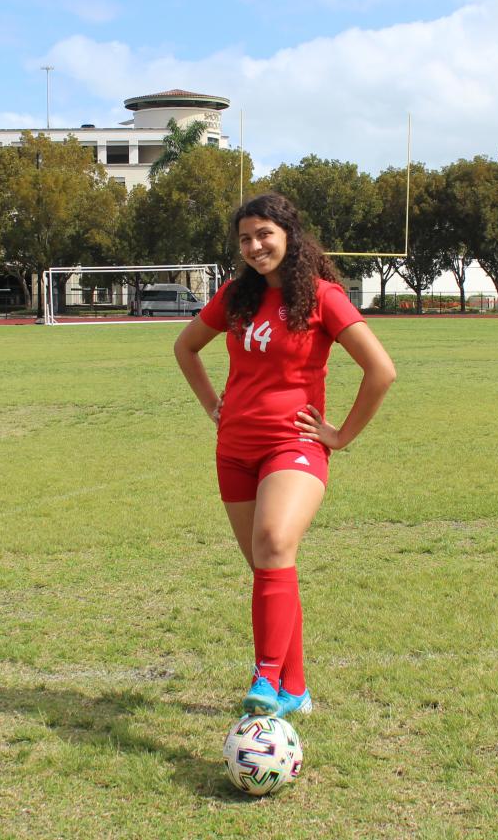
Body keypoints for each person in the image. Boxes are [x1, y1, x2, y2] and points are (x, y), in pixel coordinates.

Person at [173, 192, 396, 718]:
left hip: (293, 445)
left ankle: (267, 676)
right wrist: (213, 405)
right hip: (235, 449)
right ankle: (295, 688)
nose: (254, 246)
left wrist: (338, 435)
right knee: (269, 565)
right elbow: (185, 347)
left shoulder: (323, 296)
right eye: (245, 239)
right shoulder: (235, 296)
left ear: (289, 235)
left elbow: (381, 370)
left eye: (264, 234)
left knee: (274, 542)